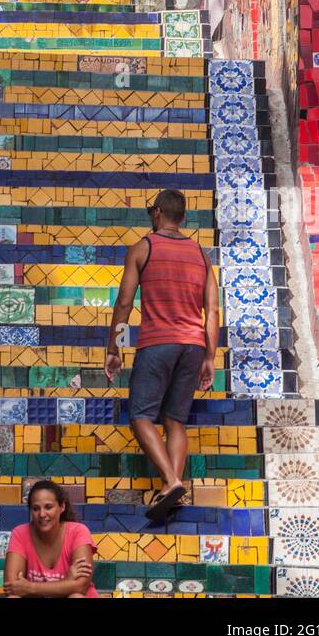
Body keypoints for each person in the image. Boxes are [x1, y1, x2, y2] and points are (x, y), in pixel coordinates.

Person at [104, 189, 219, 521]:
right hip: (194, 345)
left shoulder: (143, 248)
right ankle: (174, 489)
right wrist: (209, 356)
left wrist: (115, 349)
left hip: (158, 343)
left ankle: (170, 481)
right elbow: (212, 311)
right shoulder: (201, 254)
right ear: (181, 217)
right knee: (175, 420)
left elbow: (124, 303)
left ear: (156, 213)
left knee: (140, 416)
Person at [4, 480, 97, 599]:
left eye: (48, 507)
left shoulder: (78, 532)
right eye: (36, 508)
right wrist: (67, 582)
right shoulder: (20, 533)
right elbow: (12, 588)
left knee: (76, 596)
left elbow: (81, 587)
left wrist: (30, 587)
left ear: (62, 506)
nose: (42, 514)